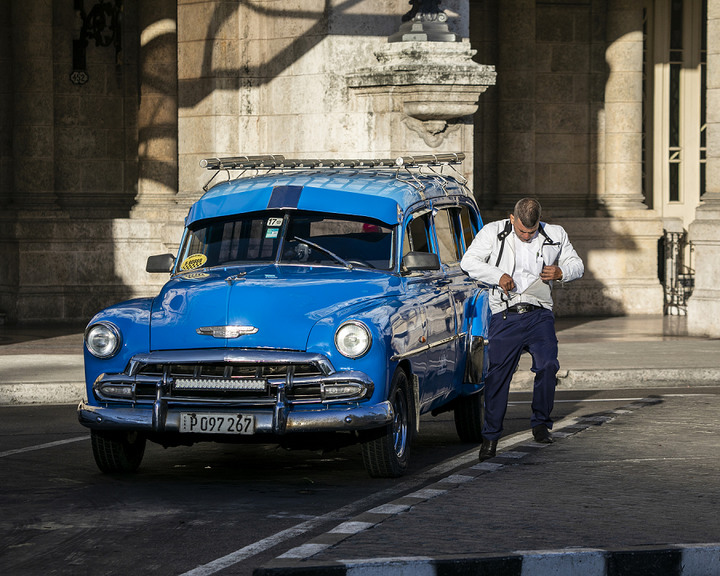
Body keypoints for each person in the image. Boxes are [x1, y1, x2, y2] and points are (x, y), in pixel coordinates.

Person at [460, 198, 584, 461]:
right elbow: (468, 261)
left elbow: (578, 265)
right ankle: (491, 437)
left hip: (539, 313)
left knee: (548, 364)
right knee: (498, 376)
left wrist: (562, 272)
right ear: (512, 219)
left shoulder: (555, 233)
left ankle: (541, 423)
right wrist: (497, 276)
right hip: (507, 315)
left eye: (532, 231)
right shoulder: (493, 232)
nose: (528, 236)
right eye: (522, 231)